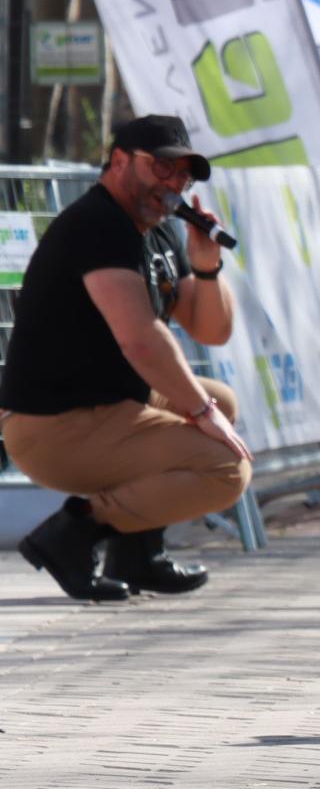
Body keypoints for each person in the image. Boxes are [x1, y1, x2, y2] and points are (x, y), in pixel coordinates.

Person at [0, 117, 253, 602]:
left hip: (104, 403)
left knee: (223, 400)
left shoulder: (154, 233)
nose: (174, 183)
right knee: (226, 469)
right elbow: (139, 339)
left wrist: (206, 267)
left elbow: (211, 330)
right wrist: (202, 415)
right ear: (119, 161)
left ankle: (137, 557)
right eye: (162, 166)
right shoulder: (99, 225)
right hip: (55, 425)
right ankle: (71, 535)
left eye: (184, 174)